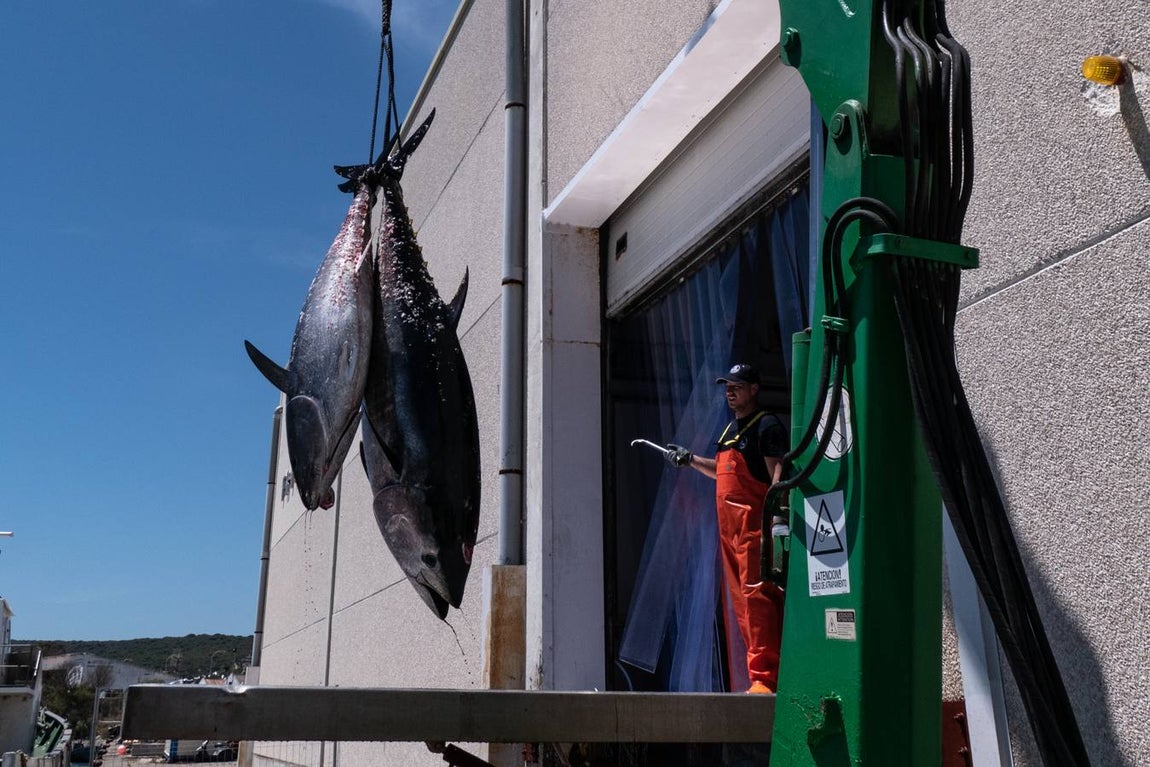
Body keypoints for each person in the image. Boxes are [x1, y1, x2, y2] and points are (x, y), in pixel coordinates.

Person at [666, 363, 787, 693]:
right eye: (727, 386)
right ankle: (757, 677)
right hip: (730, 533)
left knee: (758, 600)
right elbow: (721, 472)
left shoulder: (766, 426)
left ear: (754, 389)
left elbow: (778, 476)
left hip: (754, 529)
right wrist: (690, 459)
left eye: (737, 385)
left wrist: (778, 520)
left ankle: (767, 679)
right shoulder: (728, 432)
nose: (730, 391)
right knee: (742, 605)